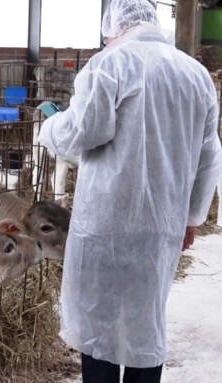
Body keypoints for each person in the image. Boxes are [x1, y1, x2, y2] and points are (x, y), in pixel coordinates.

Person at [38, 0, 221, 382]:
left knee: (98, 321)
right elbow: (209, 155)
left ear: (114, 26)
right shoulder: (196, 74)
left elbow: (84, 132)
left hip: (108, 221)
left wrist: (50, 127)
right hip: (163, 222)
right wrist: (192, 217)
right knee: (144, 320)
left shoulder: (110, 64)